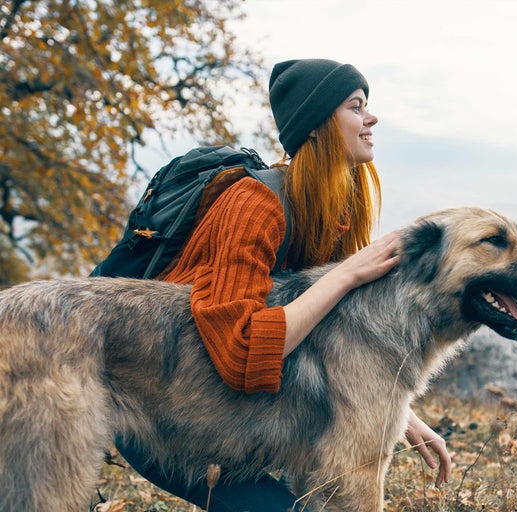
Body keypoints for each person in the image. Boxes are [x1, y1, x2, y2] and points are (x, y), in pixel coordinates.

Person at [114, 59, 451, 511]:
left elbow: (334, 338)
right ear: (315, 126)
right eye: (356, 106)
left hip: (244, 415)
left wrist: (400, 413)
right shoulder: (253, 203)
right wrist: (346, 273)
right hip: (158, 408)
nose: (371, 118)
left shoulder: (336, 210)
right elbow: (243, 351)